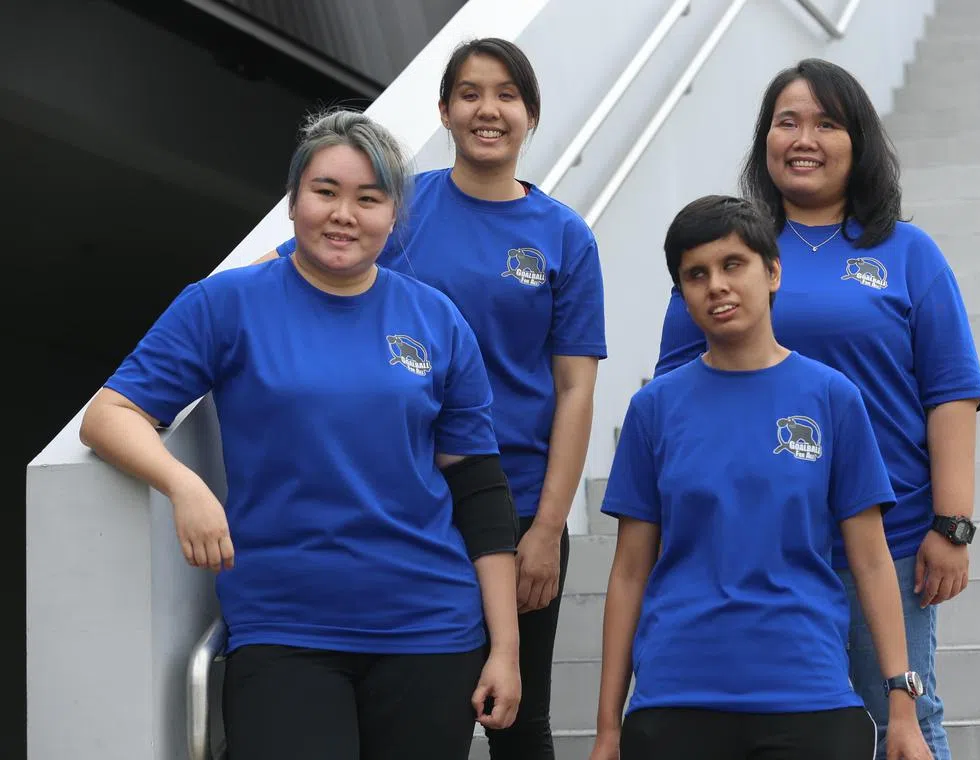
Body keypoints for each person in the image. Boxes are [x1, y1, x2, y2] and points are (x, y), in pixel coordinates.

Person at [79, 110, 521, 760]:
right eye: (326, 191)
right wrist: (184, 486)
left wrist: (506, 648)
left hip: (430, 629)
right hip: (284, 628)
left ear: (393, 216)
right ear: (293, 202)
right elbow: (109, 415)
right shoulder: (225, 304)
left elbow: (479, 489)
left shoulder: (437, 320)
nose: (344, 214)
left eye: (368, 198)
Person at [260, 39, 607, 759]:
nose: (488, 110)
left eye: (507, 94)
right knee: (416, 708)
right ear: (444, 110)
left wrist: (547, 527)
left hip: (513, 501)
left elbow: (575, 389)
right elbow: (295, 265)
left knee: (518, 720)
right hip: (405, 502)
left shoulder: (564, 236)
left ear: (532, 114)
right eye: (470, 93)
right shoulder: (401, 206)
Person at [655, 59, 980, 760]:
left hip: (889, 541)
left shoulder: (908, 253)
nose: (804, 139)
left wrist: (951, 524)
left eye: (827, 124)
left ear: (857, 141)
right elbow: (678, 402)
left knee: (906, 722)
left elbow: (950, 391)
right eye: (788, 122)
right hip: (759, 550)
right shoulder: (729, 255)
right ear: (765, 141)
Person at [589, 195, 933, 760]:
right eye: (696, 275)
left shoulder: (833, 398)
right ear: (682, 294)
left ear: (773, 272)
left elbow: (872, 560)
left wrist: (901, 702)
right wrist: (607, 730)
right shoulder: (653, 410)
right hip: (676, 699)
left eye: (733, 265)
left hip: (810, 696)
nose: (717, 286)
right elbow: (629, 572)